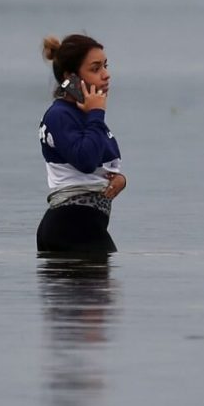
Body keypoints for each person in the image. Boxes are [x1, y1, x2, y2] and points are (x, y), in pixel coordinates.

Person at [36, 34, 125, 259]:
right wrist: (96, 113)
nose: (106, 75)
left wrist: (120, 180)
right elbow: (84, 160)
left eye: (105, 66)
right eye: (95, 69)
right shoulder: (60, 115)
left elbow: (100, 160)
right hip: (71, 224)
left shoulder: (83, 115)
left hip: (81, 224)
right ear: (70, 78)